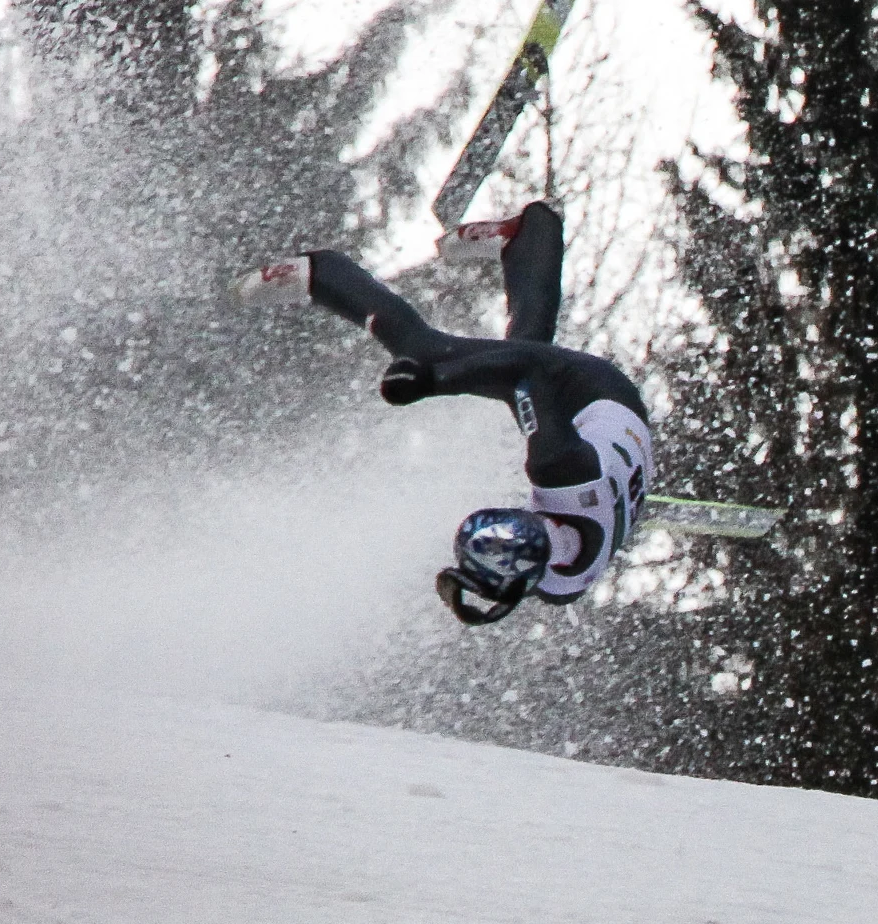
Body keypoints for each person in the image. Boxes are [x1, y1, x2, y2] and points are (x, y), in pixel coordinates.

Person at [235, 201, 654, 625]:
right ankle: (324, 273)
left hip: (617, 437)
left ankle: (527, 238)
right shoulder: (555, 466)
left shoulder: (560, 585)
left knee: (526, 340)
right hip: (591, 391)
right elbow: (533, 371)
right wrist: (431, 381)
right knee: (426, 351)